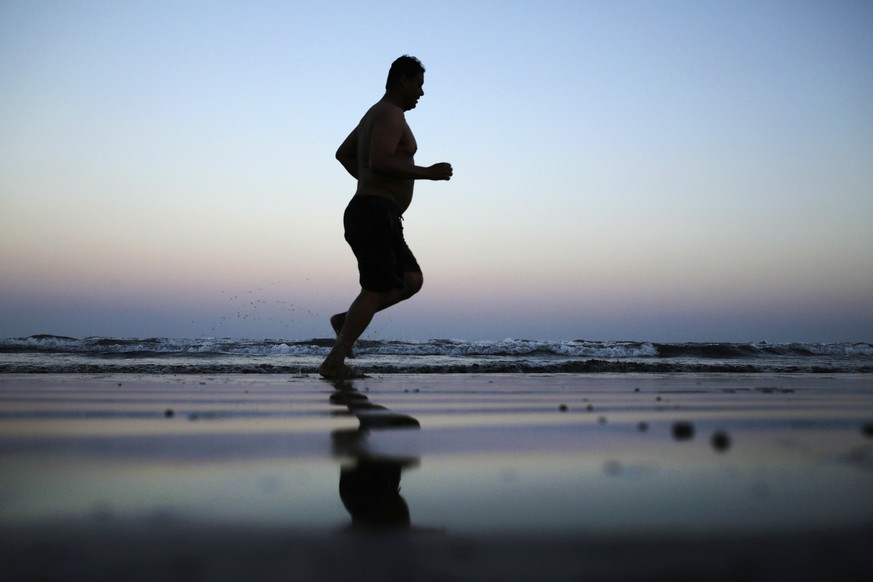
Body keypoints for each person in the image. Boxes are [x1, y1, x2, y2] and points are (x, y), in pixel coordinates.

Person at [319, 55, 453, 378]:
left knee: (411, 280)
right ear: (403, 80)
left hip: (377, 212)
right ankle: (334, 362)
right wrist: (428, 173)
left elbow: (344, 154)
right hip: (374, 213)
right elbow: (379, 161)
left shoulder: (376, 115)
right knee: (375, 289)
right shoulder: (390, 115)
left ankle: (344, 321)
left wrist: (372, 183)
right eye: (418, 85)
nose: (421, 93)